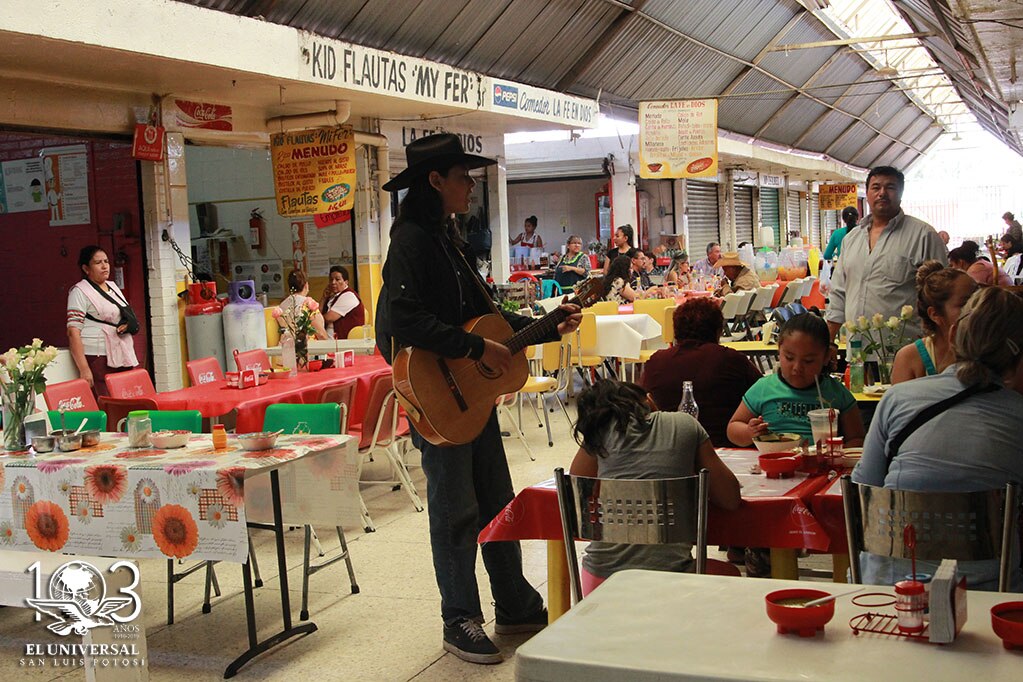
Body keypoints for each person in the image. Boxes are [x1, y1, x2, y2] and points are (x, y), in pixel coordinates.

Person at [375, 134, 582, 664]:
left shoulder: (450, 240)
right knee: (455, 511)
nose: (470, 184)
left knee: (497, 501)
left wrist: (546, 326)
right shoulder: (413, 241)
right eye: (462, 176)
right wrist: (471, 346)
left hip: (473, 397)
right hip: (437, 396)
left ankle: (514, 602)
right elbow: (401, 321)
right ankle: (459, 618)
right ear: (435, 181)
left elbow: (485, 317)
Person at [853, 286, 1023, 591]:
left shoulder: (897, 398)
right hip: (989, 592)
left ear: (954, 333)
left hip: (887, 585)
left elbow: (862, 489)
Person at [569, 379, 741, 596]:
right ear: (647, 399)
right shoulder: (684, 424)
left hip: (601, 582)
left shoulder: (600, 434)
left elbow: (578, 489)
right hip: (672, 581)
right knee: (731, 572)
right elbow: (730, 499)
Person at [825, 166, 947, 342]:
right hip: (859, 350)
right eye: (876, 187)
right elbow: (838, 292)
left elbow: (941, 295)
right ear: (866, 194)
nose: (882, 193)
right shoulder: (851, 239)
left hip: (907, 350)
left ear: (901, 193)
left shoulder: (923, 236)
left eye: (890, 187)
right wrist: (829, 341)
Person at [728, 313, 865, 447]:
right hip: (775, 462)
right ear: (779, 350)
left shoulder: (836, 393)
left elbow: (857, 438)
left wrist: (839, 454)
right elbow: (733, 428)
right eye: (789, 358)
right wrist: (749, 432)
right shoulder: (764, 388)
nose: (797, 368)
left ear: (826, 357)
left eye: (808, 361)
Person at [641, 297, 761, 446]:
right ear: (718, 331)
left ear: (676, 330)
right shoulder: (731, 360)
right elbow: (763, 396)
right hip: (727, 446)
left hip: (668, 446)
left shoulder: (656, 362)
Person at [66, 245, 139, 397]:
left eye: (106, 261)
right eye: (98, 263)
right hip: (99, 357)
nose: (105, 266)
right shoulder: (79, 291)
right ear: (86, 268)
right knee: (108, 402)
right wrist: (84, 369)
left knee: (128, 400)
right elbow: (73, 332)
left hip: (122, 354)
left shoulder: (113, 286)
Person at [891, 261, 977, 384]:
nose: (976, 309)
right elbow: (899, 401)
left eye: (978, 300)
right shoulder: (910, 358)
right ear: (935, 314)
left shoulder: (990, 352)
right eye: (964, 304)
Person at [279, 269, 329, 340]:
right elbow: (321, 334)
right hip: (307, 347)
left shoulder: (282, 305)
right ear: (306, 285)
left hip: (287, 345)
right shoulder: (309, 304)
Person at [320, 265, 365, 339]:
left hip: (343, 342)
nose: (333, 282)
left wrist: (315, 319)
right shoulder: (332, 297)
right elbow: (318, 312)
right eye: (331, 280)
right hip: (328, 339)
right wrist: (324, 298)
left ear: (346, 282)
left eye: (337, 279)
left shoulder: (348, 296)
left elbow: (329, 318)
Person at [948, 240, 1012, 287]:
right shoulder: (980, 264)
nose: (952, 268)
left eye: (952, 265)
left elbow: (971, 291)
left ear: (960, 262)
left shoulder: (977, 269)